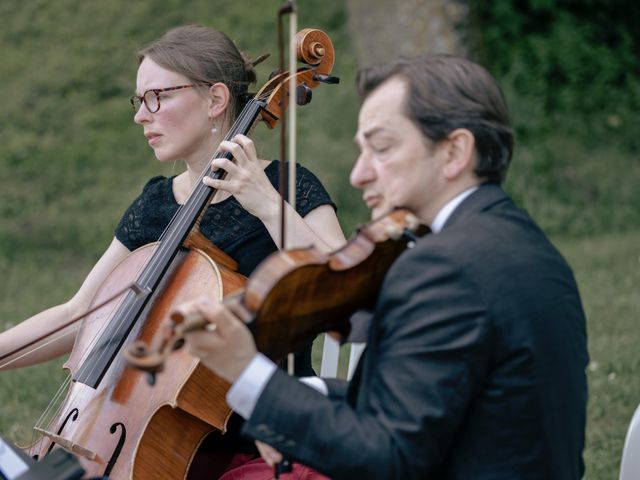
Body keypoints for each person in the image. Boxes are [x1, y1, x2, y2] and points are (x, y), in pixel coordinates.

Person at [179, 54, 589, 479]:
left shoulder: (443, 268)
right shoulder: (521, 242)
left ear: (454, 152)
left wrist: (247, 371)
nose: (358, 175)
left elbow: (383, 458)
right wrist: (307, 392)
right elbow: (428, 398)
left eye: (382, 148)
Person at [0, 24, 344, 477]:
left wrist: (265, 204)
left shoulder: (288, 188)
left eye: (156, 97)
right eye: (139, 101)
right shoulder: (156, 203)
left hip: (264, 447)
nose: (142, 115)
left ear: (216, 100)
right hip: (146, 439)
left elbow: (347, 296)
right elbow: (81, 313)